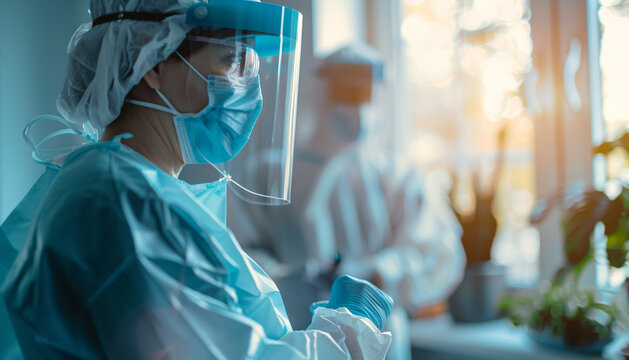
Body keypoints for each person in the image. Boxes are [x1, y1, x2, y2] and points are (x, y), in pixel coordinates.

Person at [0, 1, 394, 359]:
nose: (249, 89)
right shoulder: (128, 204)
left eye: (251, 66)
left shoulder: (123, 186)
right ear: (150, 61)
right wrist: (349, 330)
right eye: (231, 61)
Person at [227, 44, 466, 360]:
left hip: (381, 340)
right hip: (295, 336)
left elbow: (438, 256)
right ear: (321, 93)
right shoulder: (268, 172)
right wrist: (283, 278)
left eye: (365, 94)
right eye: (347, 93)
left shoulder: (396, 176)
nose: (358, 105)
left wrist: (376, 275)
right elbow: (237, 254)